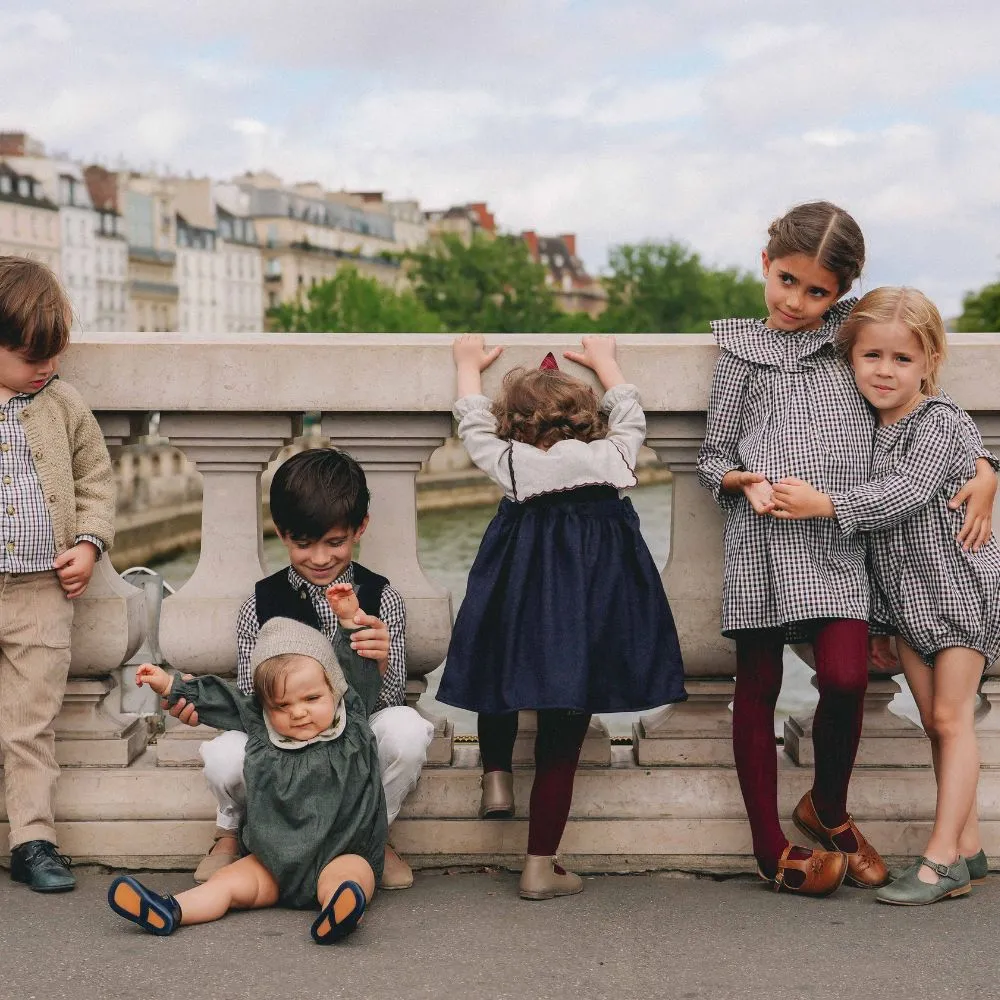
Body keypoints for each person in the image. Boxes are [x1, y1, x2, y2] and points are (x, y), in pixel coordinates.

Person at [697, 202, 997, 896]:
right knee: (760, 686)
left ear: (843, 291)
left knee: (843, 677)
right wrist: (738, 480)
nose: (797, 302)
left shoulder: (852, 340)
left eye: (817, 291)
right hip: (763, 538)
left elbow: (925, 412)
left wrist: (986, 471)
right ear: (765, 263)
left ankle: (826, 807)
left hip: (841, 539)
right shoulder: (740, 353)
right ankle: (768, 843)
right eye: (786, 281)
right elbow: (714, 453)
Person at [770, 287, 1000, 905]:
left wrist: (828, 505)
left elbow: (903, 492)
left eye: (902, 359)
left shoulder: (941, 421)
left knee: (951, 720)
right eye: (872, 355)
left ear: (930, 361)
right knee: (934, 722)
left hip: (954, 587)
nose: (884, 370)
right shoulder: (867, 419)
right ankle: (970, 845)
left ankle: (939, 862)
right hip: (905, 599)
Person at [438, 334, 685, 900]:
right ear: (588, 421)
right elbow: (630, 408)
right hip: (588, 613)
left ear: (515, 425)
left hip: (521, 593)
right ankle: (539, 865)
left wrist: (466, 367)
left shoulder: (514, 464)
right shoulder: (615, 458)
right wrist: (606, 361)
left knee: (498, 671)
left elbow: (470, 423)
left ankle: (497, 775)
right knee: (562, 734)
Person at [168, 448, 433, 890]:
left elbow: (382, 706)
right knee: (222, 754)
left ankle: (374, 834)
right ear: (281, 533)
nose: (320, 558)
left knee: (406, 729)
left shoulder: (382, 599)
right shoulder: (260, 604)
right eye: (302, 543)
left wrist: (382, 662)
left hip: (349, 742)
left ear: (359, 528)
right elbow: (254, 702)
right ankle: (230, 832)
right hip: (282, 736)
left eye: (335, 542)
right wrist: (201, 701)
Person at [109, 587, 385, 942]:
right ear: (266, 707)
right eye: (282, 706)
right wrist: (170, 685)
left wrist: (349, 619)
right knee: (227, 883)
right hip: (273, 862)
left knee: (351, 876)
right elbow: (219, 698)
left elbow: (357, 663)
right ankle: (170, 908)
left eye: (312, 698)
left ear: (334, 688)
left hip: (341, 852)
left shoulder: (353, 715)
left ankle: (340, 911)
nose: (298, 712)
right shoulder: (260, 725)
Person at [0, 257, 114, 893]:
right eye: (27, 356)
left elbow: (95, 477)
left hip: (41, 589)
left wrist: (91, 542)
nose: (44, 368)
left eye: (53, 353)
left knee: (31, 721)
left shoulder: (63, 403)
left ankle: (33, 839)